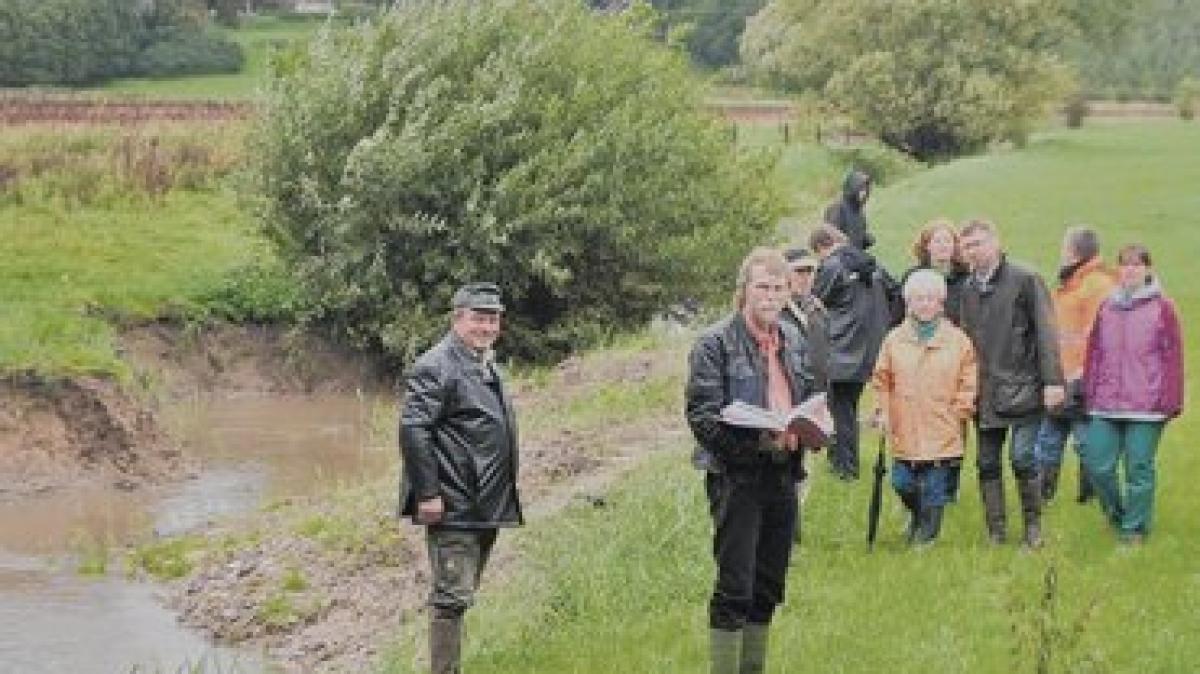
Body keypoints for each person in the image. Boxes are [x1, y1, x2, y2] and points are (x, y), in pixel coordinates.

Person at [685, 247, 819, 674]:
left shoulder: (793, 337)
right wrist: (757, 446)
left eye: (780, 288)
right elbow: (702, 418)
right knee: (735, 586)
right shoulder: (714, 343)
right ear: (743, 291)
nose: (772, 296)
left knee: (768, 585)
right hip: (737, 478)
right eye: (763, 286)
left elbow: (807, 395)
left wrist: (814, 426)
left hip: (784, 475)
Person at [399, 282, 522, 674]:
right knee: (451, 599)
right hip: (453, 502)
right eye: (478, 319)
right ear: (457, 319)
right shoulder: (436, 365)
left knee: (463, 595)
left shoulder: (484, 361)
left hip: (483, 501)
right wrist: (428, 494)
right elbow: (414, 430)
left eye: (493, 319)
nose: (486, 327)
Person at [958, 219, 1064, 548]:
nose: (973, 251)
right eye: (968, 246)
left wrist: (1052, 381)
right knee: (986, 462)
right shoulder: (967, 289)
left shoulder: (1025, 279)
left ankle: (1033, 528)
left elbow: (1047, 333)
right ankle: (996, 531)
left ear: (995, 242)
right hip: (984, 390)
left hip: (1024, 386)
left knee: (1021, 458)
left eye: (978, 243)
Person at [1081, 244, 1184, 544]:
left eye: (1136, 265)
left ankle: (1133, 531)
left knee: (1138, 467)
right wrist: (1091, 391)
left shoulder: (1163, 308)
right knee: (1097, 464)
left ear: (1148, 270)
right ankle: (1119, 516)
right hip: (1106, 404)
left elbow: (1173, 357)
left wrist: (1171, 401)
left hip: (1147, 405)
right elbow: (1095, 352)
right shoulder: (1107, 307)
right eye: (1124, 265)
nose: (1129, 270)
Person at [871, 270, 977, 544]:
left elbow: (969, 380)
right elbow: (882, 380)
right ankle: (917, 518)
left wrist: (960, 410)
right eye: (919, 299)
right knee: (902, 483)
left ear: (940, 303)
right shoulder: (894, 340)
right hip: (905, 426)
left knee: (934, 489)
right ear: (909, 303)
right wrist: (882, 411)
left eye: (931, 299)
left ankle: (926, 540)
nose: (925, 304)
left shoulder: (958, 340)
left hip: (942, 425)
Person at [1034, 226, 1117, 503]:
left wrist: (1080, 377)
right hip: (1060, 379)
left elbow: (1100, 337)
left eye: (1064, 249)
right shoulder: (1074, 283)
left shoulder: (1097, 286)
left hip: (1082, 382)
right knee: (1048, 441)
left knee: (1085, 443)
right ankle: (1042, 497)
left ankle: (1090, 498)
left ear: (1073, 253)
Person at [809, 224, 889, 480]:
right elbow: (896, 292)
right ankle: (845, 463)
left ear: (821, 247)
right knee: (849, 407)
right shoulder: (873, 265)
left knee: (839, 409)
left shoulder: (832, 266)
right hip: (871, 347)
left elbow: (815, 301)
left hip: (842, 348)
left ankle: (845, 469)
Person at [781, 247, 830, 542]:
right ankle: (788, 535)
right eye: (799, 271)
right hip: (788, 398)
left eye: (810, 271)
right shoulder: (779, 311)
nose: (805, 277)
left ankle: (791, 532)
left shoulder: (815, 308)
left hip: (816, 396)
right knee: (787, 467)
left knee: (804, 469)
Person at [901, 219, 970, 325]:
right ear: (927, 246)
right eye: (938, 241)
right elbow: (901, 314)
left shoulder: (967, 277)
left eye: (947, 241)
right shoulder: (913, 277)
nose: (943, 245)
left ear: (954, 245)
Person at [823, 168, 874, 251]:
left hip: (855, 256)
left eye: (865, 189)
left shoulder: (857, 210)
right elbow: (831, 236)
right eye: (861, 189)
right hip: (842, 259)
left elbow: (856, 235)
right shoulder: (838, 208)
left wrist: (865, 239)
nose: (864, 193)